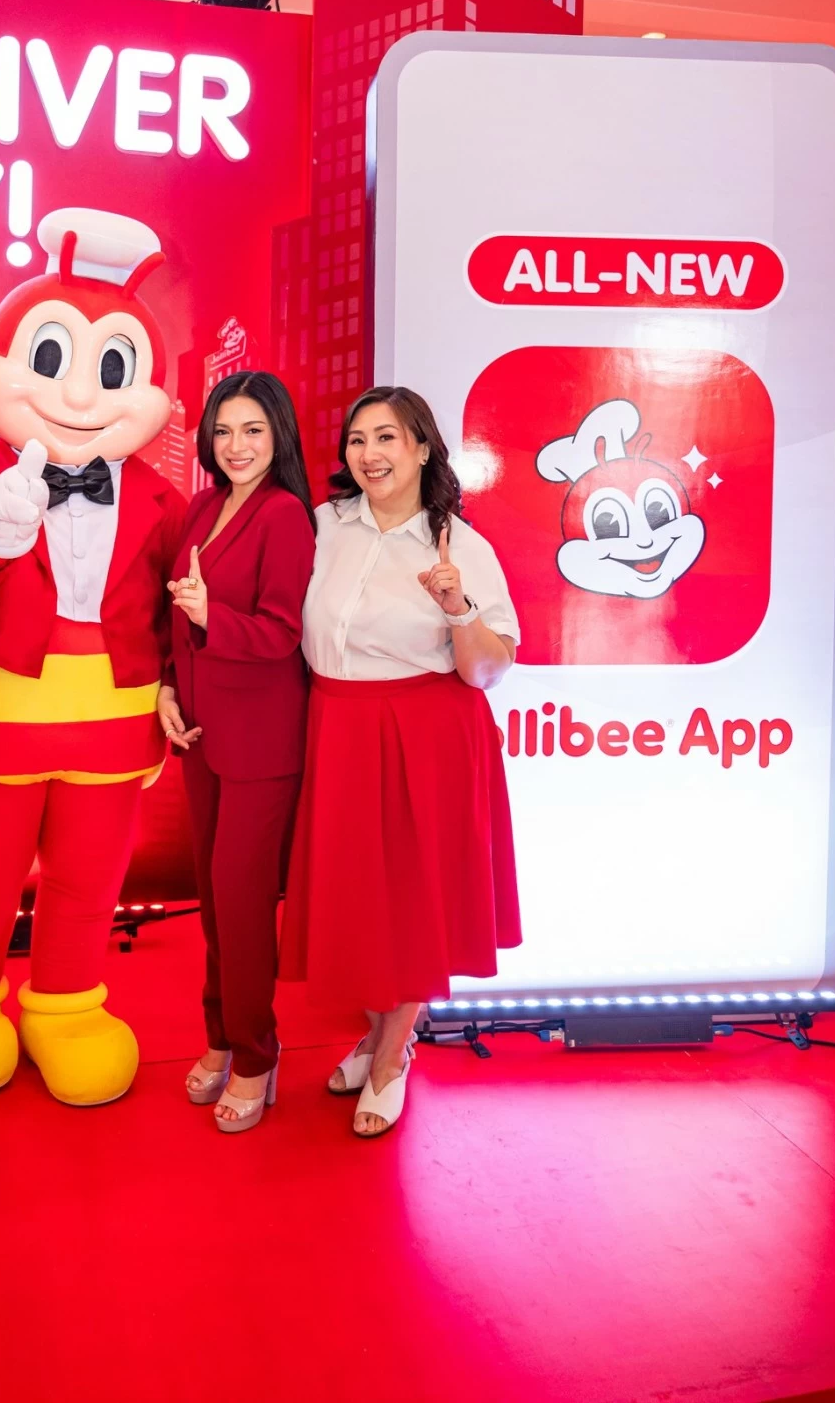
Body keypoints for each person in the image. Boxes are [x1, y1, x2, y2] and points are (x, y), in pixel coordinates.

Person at [0, 208, 185, 1109]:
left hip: (111, 723)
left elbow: (180, 601)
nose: (78, 395)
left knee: (89, 878)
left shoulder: (159, 495)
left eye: (111, 369)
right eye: (53, 359)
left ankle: (65, 1002)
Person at [281, 385, 521, 1139]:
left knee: (413, 890)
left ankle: (392, 1053)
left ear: (422, 448)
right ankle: (379, 1030)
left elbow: (488, 669)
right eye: (358, 439)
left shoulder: (461, 544)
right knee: (361, 889)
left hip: (426, 728)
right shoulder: (324, 525)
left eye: (388, 437)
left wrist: (457, 607)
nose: (370, 453)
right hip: (338, 721)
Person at [162, 372, 315, 1134]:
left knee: (244, 904)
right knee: (217, 908)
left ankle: (257, 1053)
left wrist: (211, 614)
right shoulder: (202, 505)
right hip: (200, 731)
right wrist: (166, 687)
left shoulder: (285, 516)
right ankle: (222, 1033)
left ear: (278, 434)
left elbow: (283, 632)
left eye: (253, 429)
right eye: (224, 430)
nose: (237, 445)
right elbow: (178, 618)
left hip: (262, 740)